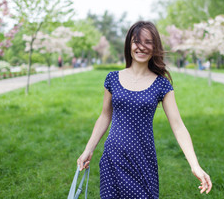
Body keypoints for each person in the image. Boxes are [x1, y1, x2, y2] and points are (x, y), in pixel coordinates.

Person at [77, 21, 212, 198]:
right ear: (129, 45)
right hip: (113, 158)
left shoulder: (161, 84)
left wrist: (195, 165)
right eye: (136, 42)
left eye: (148, 42)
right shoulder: (112, 78)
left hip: (143, 161)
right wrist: (88, 149)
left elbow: (178, 126)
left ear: (155, 46)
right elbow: (104, 116)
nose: (141, 47)